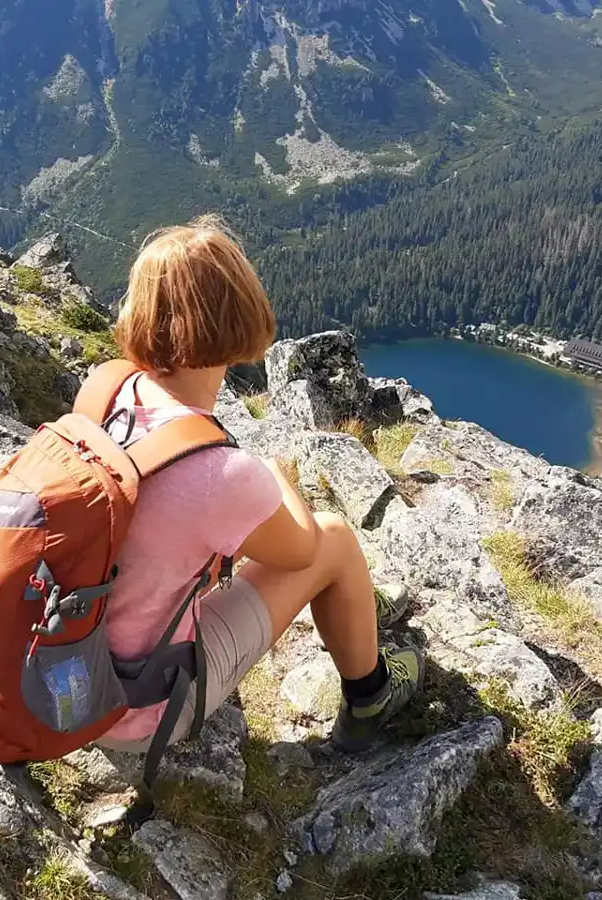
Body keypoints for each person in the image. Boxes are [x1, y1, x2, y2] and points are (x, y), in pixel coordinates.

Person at [94, 214, 424, 756]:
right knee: (336, 540)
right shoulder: (217, 472)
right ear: (238, 316)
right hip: (136, 708)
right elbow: (301, 551)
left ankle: (357, 606)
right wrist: (275, 475)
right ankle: (371, 696)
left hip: (68, 670)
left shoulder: (107, 390)